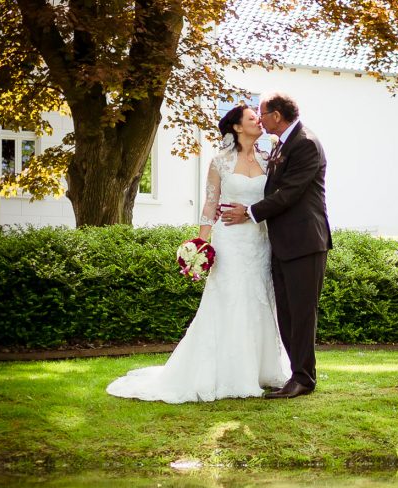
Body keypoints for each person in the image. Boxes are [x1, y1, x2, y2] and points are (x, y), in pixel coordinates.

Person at [106, 105, 290, 403]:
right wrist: (200, 246)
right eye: (253, 118)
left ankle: (260, 369)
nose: (260, 121)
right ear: (237, 127)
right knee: (229, 298)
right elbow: (209, 204)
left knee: (258, 299)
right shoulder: (220, 162)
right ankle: (228, 373)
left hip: (259, 240)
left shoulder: (270, 160)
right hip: (229, 241)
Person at [222, 93, 331, 400]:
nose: (260, 119)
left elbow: (290, 193)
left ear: (277, 116)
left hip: (305, 242)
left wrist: (250, 212)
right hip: (281, 243)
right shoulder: (282, 144)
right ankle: (295, 375)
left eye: (263, 114)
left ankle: (304, 379)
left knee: (302, 312)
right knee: (286, 312)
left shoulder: (305, 143)